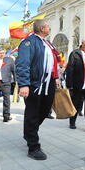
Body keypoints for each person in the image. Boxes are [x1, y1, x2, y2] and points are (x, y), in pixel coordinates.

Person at [16, 19, 60, 160]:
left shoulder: (47, 43)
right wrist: (24, 84)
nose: (49, 28)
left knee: (45, 110)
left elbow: (54, 62)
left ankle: (29, 132)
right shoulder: (29, 42)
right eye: (48, 26)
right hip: (35, 84)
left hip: (49, 83)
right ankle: (33, 147)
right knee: (33, 113)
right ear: (41, 28)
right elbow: (23, 63)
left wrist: (56, 77)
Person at [0, 49, 16, 122]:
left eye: (3, 53)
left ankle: (6, 116)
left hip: (6, 82)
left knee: (6, 100)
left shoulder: (9, 60)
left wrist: (16, 82)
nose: (2, 54)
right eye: (0, 53)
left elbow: (14, 71)